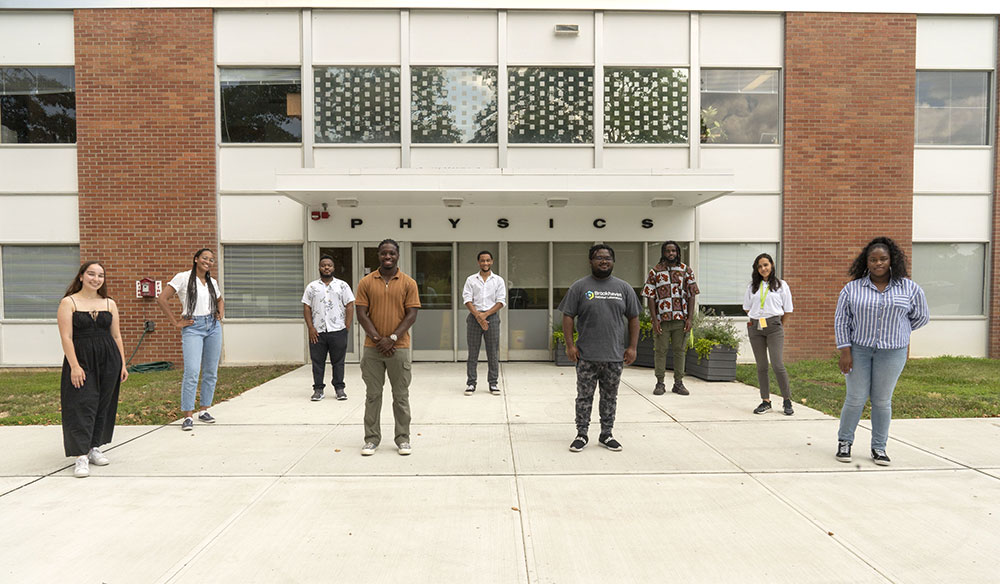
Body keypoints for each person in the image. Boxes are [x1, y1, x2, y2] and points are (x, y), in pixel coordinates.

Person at [834, 237, 929, 466]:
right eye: (873, 259)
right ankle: (844, 442)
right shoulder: (852, 289)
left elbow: (921, 316)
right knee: (855, 398)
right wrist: (845, 351)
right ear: (866, 262)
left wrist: (900, 332)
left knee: (882, 400)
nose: (878, 263)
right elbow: (841, 321)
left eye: (883, 259)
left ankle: (879, 447)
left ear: (891, 260)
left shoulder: (909, 288)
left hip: (892, 352)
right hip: (859, 350)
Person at [559, 244, 640, 453]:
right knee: (584, 397)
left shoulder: (624, 288)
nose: (604, 261)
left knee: (610, 397)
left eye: (608, 258)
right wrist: (570, 345)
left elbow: (634, 318)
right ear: (590, 261)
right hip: (586, 355)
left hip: (614, 356)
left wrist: (632, 347)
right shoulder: (579, 287)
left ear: (613, 262)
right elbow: (567, 316)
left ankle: (606, 434)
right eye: (599, 258)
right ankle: (582, 434)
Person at [57, 261, 129, 478]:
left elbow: (116, 336)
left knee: (103, 404)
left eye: (100, 275)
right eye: (91, 274)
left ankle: (94, 447)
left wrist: (123, 364)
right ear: (81, 276)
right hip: (82, 359)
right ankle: (80, 455)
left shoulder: (109, 303)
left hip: (109, 358)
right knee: (81, 403)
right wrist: (75, 366)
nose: (95, 279)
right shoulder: (68, 302)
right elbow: (66, 337)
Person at [354, 239, 420, 456]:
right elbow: (361, 314)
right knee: (373, 395)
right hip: (372, 349)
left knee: (400, 396)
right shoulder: (365, 282)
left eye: (391, 253)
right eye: (384, 253)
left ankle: (403, 439)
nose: (388, 257)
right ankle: (371, 439)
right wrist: (377, 338)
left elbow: (412, 315)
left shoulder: (408, 283)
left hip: (399, 347)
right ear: (379, 255)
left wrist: (392, 338)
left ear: (398, 255)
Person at [156, 248, 224, 431]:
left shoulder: (212, 282)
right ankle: (188, 415)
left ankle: (204, 410)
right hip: (193, 326)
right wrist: (175, 322)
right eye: (205, 258)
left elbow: (219, 300)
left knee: (210, 371)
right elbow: (162, 298)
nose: (208, 262)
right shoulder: (183, 277)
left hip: (213, 326)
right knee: (192, 371)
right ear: (196, 259)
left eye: (211, 260)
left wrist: (220, 313)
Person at [641, 240, 699, 396]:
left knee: (680, 351)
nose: (671, 253)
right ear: (663, 253)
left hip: (681, 319)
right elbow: (650, 296)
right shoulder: (655, 272)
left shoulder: (686, 270)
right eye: (668, 251)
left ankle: (678, 383)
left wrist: (689, 319)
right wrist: (654, 319)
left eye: (673, 251)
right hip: (662, 319)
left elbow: (692, 295)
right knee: (660, 351)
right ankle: (660, 383)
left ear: (678, 252)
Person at [743, 252, 795, 416]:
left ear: (771, 265)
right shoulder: (752, 286)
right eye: (759, 266)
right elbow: (747, 307)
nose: (763, 268)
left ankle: (787, 400)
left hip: (774, 327)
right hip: (756, 327)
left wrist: (778, 324)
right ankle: (765, 401)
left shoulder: (781, 285)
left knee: (777, 364)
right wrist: (757, 317)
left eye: (765, 265)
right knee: (762, 366)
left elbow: (787, 309)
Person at [302, 255, 355, 402]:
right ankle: (318, 390)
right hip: (317, 332)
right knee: (317, 362)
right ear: (319, 268)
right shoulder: (312, 287)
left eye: (329, 265)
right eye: (323, 265)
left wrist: (346, 326)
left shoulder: (342, 286)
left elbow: (350, 305)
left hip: (338, 330)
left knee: (338, 362)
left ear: (333, 268)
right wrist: (310, 328)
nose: (326, 267)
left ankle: (339, 389)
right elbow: (306, 307)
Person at [462, 250, 506, 396]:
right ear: (478, 262)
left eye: (488, 260)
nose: (485, 263)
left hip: (492, 318)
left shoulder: (498, 280)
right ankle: (471, 383)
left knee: (492, 352)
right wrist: (478, 317)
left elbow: (501, 301)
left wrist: (485, 315)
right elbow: (467, 300)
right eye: (482, 260)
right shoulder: (471, 280)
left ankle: (493, 383)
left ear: (492, 261)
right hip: (474, 318)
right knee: (473, 352)